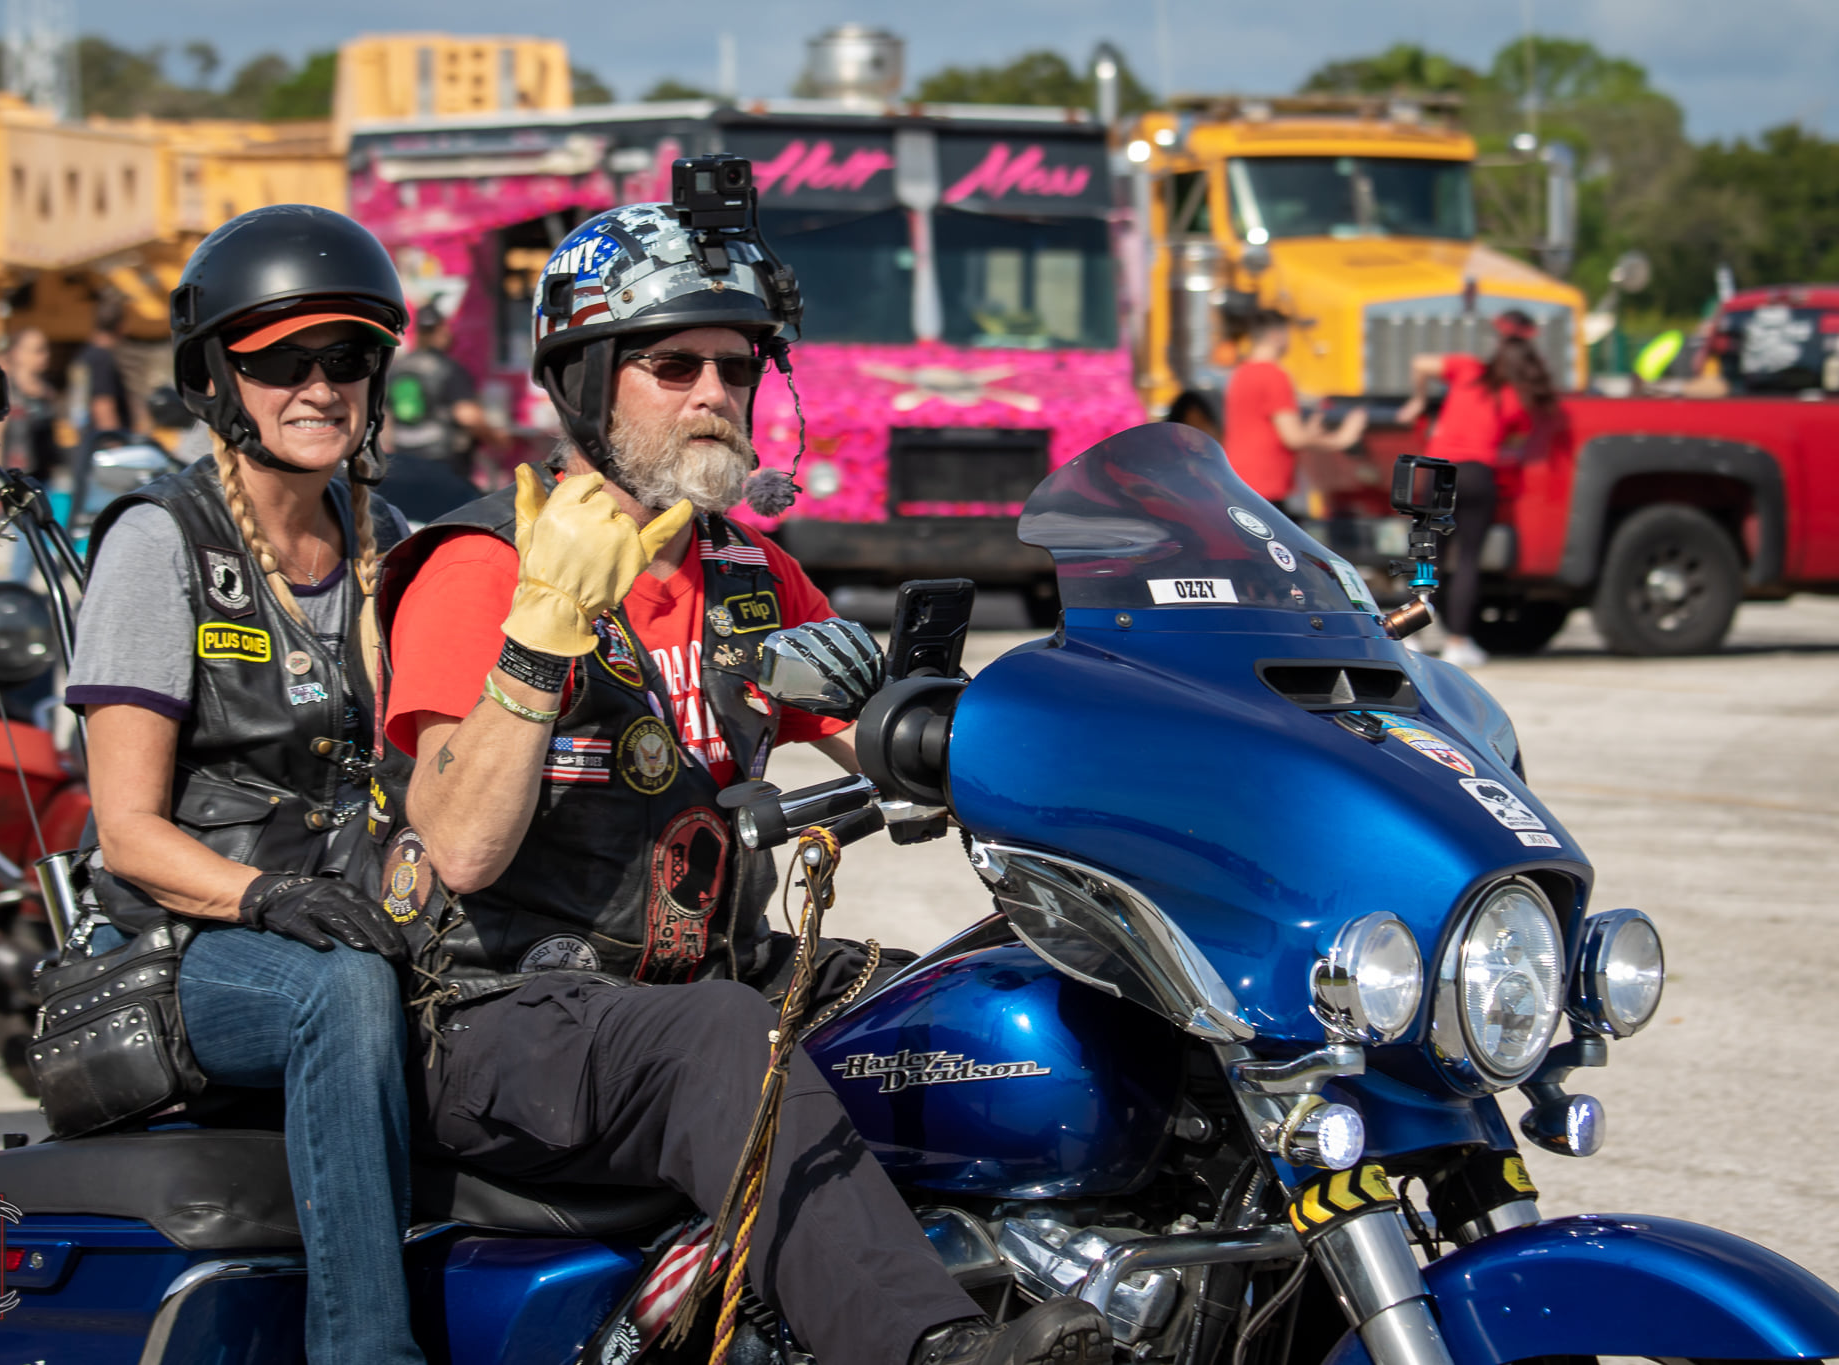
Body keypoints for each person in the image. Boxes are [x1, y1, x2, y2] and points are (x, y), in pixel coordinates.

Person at [377, 202, 1108, 1365]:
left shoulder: (747, 572)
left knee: (995, 1004)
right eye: (673, 364)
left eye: (737, 363)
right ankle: (924, 1350)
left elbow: (889, 737)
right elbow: (457, 848)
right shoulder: (480, 566)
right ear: (583, 381)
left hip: (712, 976)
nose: (715, 390)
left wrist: (1117, 748)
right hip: (503, 1017)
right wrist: (540, 636)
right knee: (723, 1033)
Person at [63, 204, 423, 1364]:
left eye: (347, 358)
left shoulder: (397, 542)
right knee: (346, 995)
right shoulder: (159, 545)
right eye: (279, 361)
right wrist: (265, 900)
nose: (319, 388)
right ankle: (366, 1350)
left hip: (353, 916)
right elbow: (124, 833)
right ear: (218, 379)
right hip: (183, 951)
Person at [1397, 310, 1563, 667]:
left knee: (1427, 557)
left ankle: (1412, 636)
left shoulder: (1467, 369)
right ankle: (1458, 641)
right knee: (1468, 561)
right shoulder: (1516, 397)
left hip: (1438, 472)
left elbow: (1420, 363)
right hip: (1477, 475)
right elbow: (1516, 442)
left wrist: (1419, 400)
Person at [1221, 310, 1366, 508]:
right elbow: (1293, 438)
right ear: (1276, 335)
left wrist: (1308, 432)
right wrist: (1342, 438)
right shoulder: (1274, 375)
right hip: (1264, 484)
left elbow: (1260, 427)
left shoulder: (1240, 373)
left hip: (1239, 479)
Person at [384, 300, 492, 477]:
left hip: (403, 459)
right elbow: (468, 416)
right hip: (443, 461)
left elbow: (387, 417)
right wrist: (495, 438)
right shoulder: (448, 368)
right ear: (441, 330)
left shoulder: (397, 368)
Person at [0, 327, 63, 484]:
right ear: (17, 353)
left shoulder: (47, 391)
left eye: (46, 350)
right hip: (15, 477)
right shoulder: (7, 391)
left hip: (44, 476)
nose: (45, 356)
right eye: (38, 351)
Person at [73, 292, 136, 439]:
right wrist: (113, 442)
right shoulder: (102, 359)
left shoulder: (85, 356)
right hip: (102, 443)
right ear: (120, 327)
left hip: (87, 439)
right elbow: (103, 404)